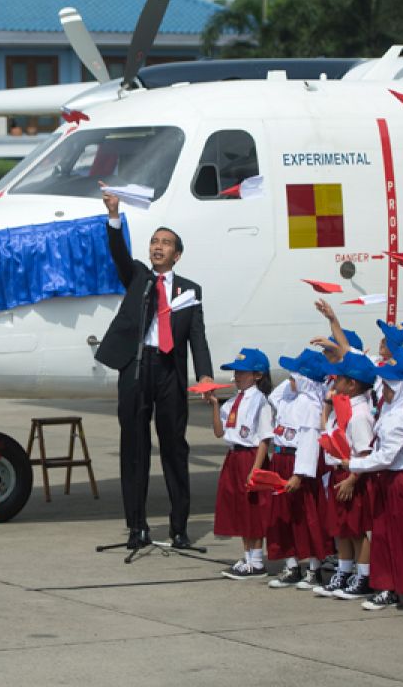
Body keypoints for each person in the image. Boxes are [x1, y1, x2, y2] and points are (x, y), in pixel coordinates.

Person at [94, 187, 212, 550]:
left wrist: (204, 375)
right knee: (135, 448)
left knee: (174, 448)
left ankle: (179, 528)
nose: (158, 247)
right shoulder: (139, 278)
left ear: (176, 255)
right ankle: (137, 527)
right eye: (153, 242)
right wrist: (114, 215)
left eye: (165, 243)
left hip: (169, 371)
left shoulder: (190, 291)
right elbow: (117, 253)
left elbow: (197, 336)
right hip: (136, 368)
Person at [342, 358, 403, 610]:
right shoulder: (390, 410)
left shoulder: (400, 417)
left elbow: (387, 456)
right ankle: (389, 585)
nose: (382, 389)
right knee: (384, 537)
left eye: (387, 385)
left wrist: (352, 464)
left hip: (400, 482)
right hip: (388, 481)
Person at [265, 349, 331, 590]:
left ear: (304, 381)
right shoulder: (290, 398)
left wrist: (299, 474)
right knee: (283, 516)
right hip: (281, 460)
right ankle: (291, 565)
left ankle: (314, 569)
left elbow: (308, 443)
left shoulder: (310, 406)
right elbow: (273, 395)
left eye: (293, 377)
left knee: (307, 517)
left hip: (297, 465)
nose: (289, 382)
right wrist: (296, 377)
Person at [206, 348, 274, 579]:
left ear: (257, 375)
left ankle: (256, 561)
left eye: (242, 373)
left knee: (254, 509)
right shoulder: (234, 401)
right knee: (239, 508)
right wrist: (215, 404)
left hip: (251, 456)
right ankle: (247, 558)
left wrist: (256, 469)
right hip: (234, 456)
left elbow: (265, 438)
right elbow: (219, 431)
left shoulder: (260, 402)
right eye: (236, 373)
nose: (237, 377)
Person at [315, 351, 376, 600]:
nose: (334, 383)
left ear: (351, 384)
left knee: (357, 529)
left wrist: (352, 478)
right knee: (342, 528)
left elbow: (364, 451)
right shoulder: (344, 408)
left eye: (339, 379)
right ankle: (344, 570)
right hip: (339, 472)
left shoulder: (360, 414)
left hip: (353, 475)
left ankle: (363, 576)